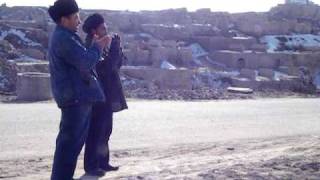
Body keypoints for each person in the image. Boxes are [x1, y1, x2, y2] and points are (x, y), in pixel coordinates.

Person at [47, 0, 110, 179]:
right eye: (75, 17)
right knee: (69, 147)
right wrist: (98, 47)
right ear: (64, 20)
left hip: (75, 97)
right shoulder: (63, 38)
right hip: (75, 98)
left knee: (70, 146)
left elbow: (80, 60)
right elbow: (85, 62)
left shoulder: (65, 36)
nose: (79, 21)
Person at [82, 13, 128, 177]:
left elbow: (116, 65)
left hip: (106, 96)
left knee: (105, 131)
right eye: (103, 28)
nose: (106, 30)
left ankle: (103, 162)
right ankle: (91, 166)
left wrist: (117, 48)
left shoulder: (102, 46)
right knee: (95, 132)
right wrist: (114, 50)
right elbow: (106, 68)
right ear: (95, 31)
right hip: (97, 97)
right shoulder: (91, 47)